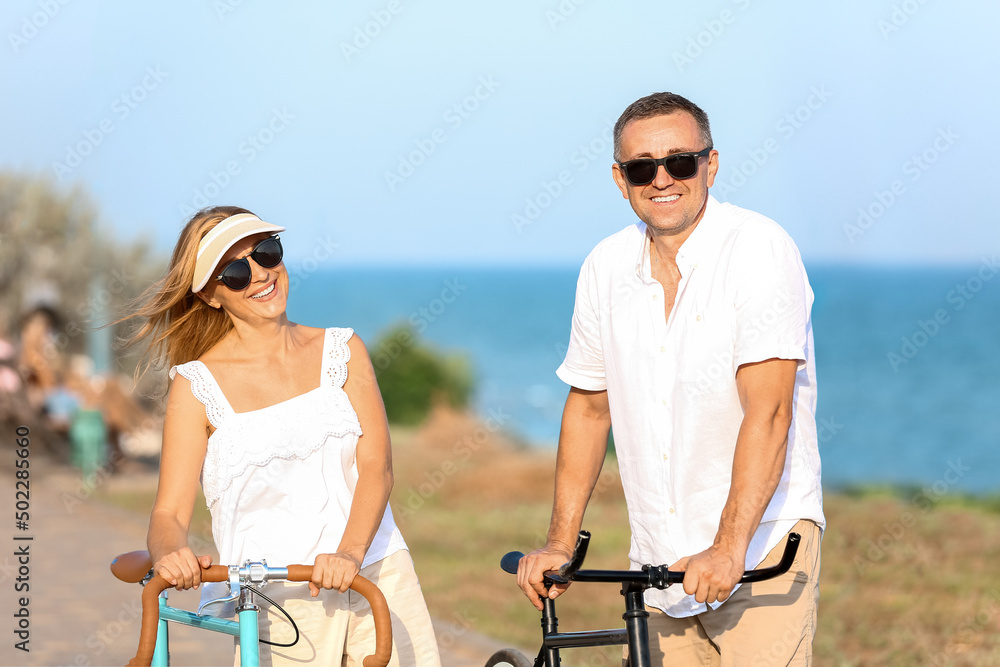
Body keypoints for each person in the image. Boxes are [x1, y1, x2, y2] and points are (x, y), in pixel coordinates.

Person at [516, 93, 825, 666]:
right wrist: (561, 543)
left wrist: (729, 548)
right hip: (658, 564)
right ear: (619, 178)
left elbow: (771, 412)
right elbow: (588, 409)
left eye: (680, 161)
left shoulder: (758, 249)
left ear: (711, 163)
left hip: (761, 550)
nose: (662, 178)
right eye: (641, 167)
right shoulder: (605, 267)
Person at [122, 206, 441, 666]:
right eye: (233, 272)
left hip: (377, 573)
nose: (258, 275)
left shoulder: (343, 349)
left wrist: (349, 555)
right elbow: (169, 510)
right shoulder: (195, 386)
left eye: (265, 253)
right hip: (276, 599)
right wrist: (171, 553)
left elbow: (378, 468)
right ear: (211, 295)